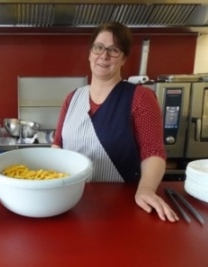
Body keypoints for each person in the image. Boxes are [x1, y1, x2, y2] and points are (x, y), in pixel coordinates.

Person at [51, 21, 179, 222]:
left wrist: (146, 189)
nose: (104, 55)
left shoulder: (140, 97)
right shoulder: (72, 97)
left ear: (124, 58)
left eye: (114, 50)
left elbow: (153, 151)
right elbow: (58, 144)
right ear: (90, 53)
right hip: (72, 203)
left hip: (121, 205)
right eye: (99, 47)